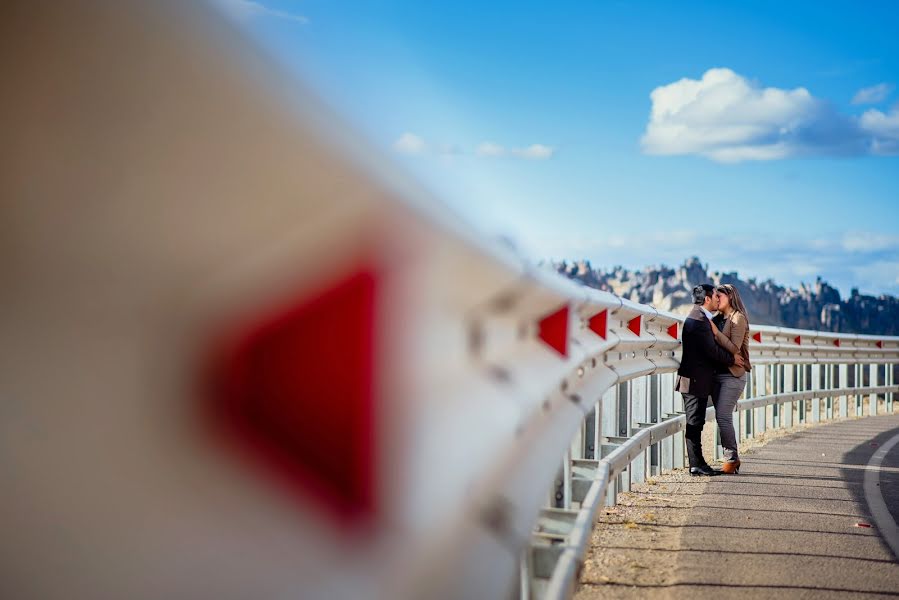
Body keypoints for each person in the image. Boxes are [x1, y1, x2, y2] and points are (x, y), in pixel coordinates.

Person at [677, 284, 744, 476]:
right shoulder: (698, 320)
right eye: (715, 296)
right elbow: (711, 350)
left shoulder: (701, 318)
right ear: (707, 299)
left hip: (696, 380)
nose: (717, 299)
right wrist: (732, 359)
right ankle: (696, 465)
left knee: (696, 423)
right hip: (694, 380)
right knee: (694, 423)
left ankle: (698, 464)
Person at [710, 284, 752, 474]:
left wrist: (715, 333)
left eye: (720, 295)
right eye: (715, 296)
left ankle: (731, 458)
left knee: (723, 415)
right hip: (716, 374)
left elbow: (734, 348)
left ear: (730, 296)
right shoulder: (716, 318)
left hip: (733, 375)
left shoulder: (738, 318)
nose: (716, 298)